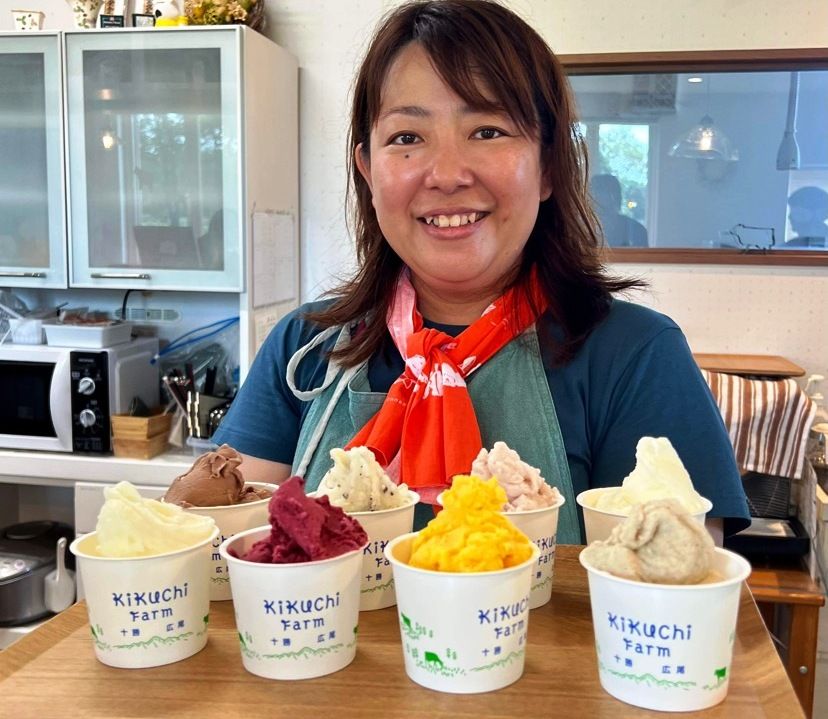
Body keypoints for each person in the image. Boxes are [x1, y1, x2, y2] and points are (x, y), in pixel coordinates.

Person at [213, 0, 749, 542]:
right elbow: (225, 548)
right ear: (368, 172)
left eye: (488, 130)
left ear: (547, 167)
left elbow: (679, 580)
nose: (447, 174)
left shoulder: (634, 356)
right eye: (407, 137)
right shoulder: (305, 348)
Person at [589, 174, 648, 248]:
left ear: (618, 199)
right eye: (599, 194)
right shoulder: (582, 231)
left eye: (610, 194)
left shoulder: (637, 230)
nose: (608, 200)